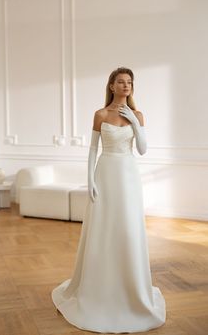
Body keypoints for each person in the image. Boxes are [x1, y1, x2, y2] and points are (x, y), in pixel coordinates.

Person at [52, 67, 166, 333]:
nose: (126, 86)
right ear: (112, 86)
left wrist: (136, 124)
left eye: (129, 82)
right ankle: (99, 287)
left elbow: (142, 149)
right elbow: (93, 150)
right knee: (104, 228)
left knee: (128, 228)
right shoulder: (100, 114)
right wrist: (90, 179)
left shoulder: (137, 114)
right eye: (121, 82)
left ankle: (131, 287)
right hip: (105, 173)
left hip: (128, 176)